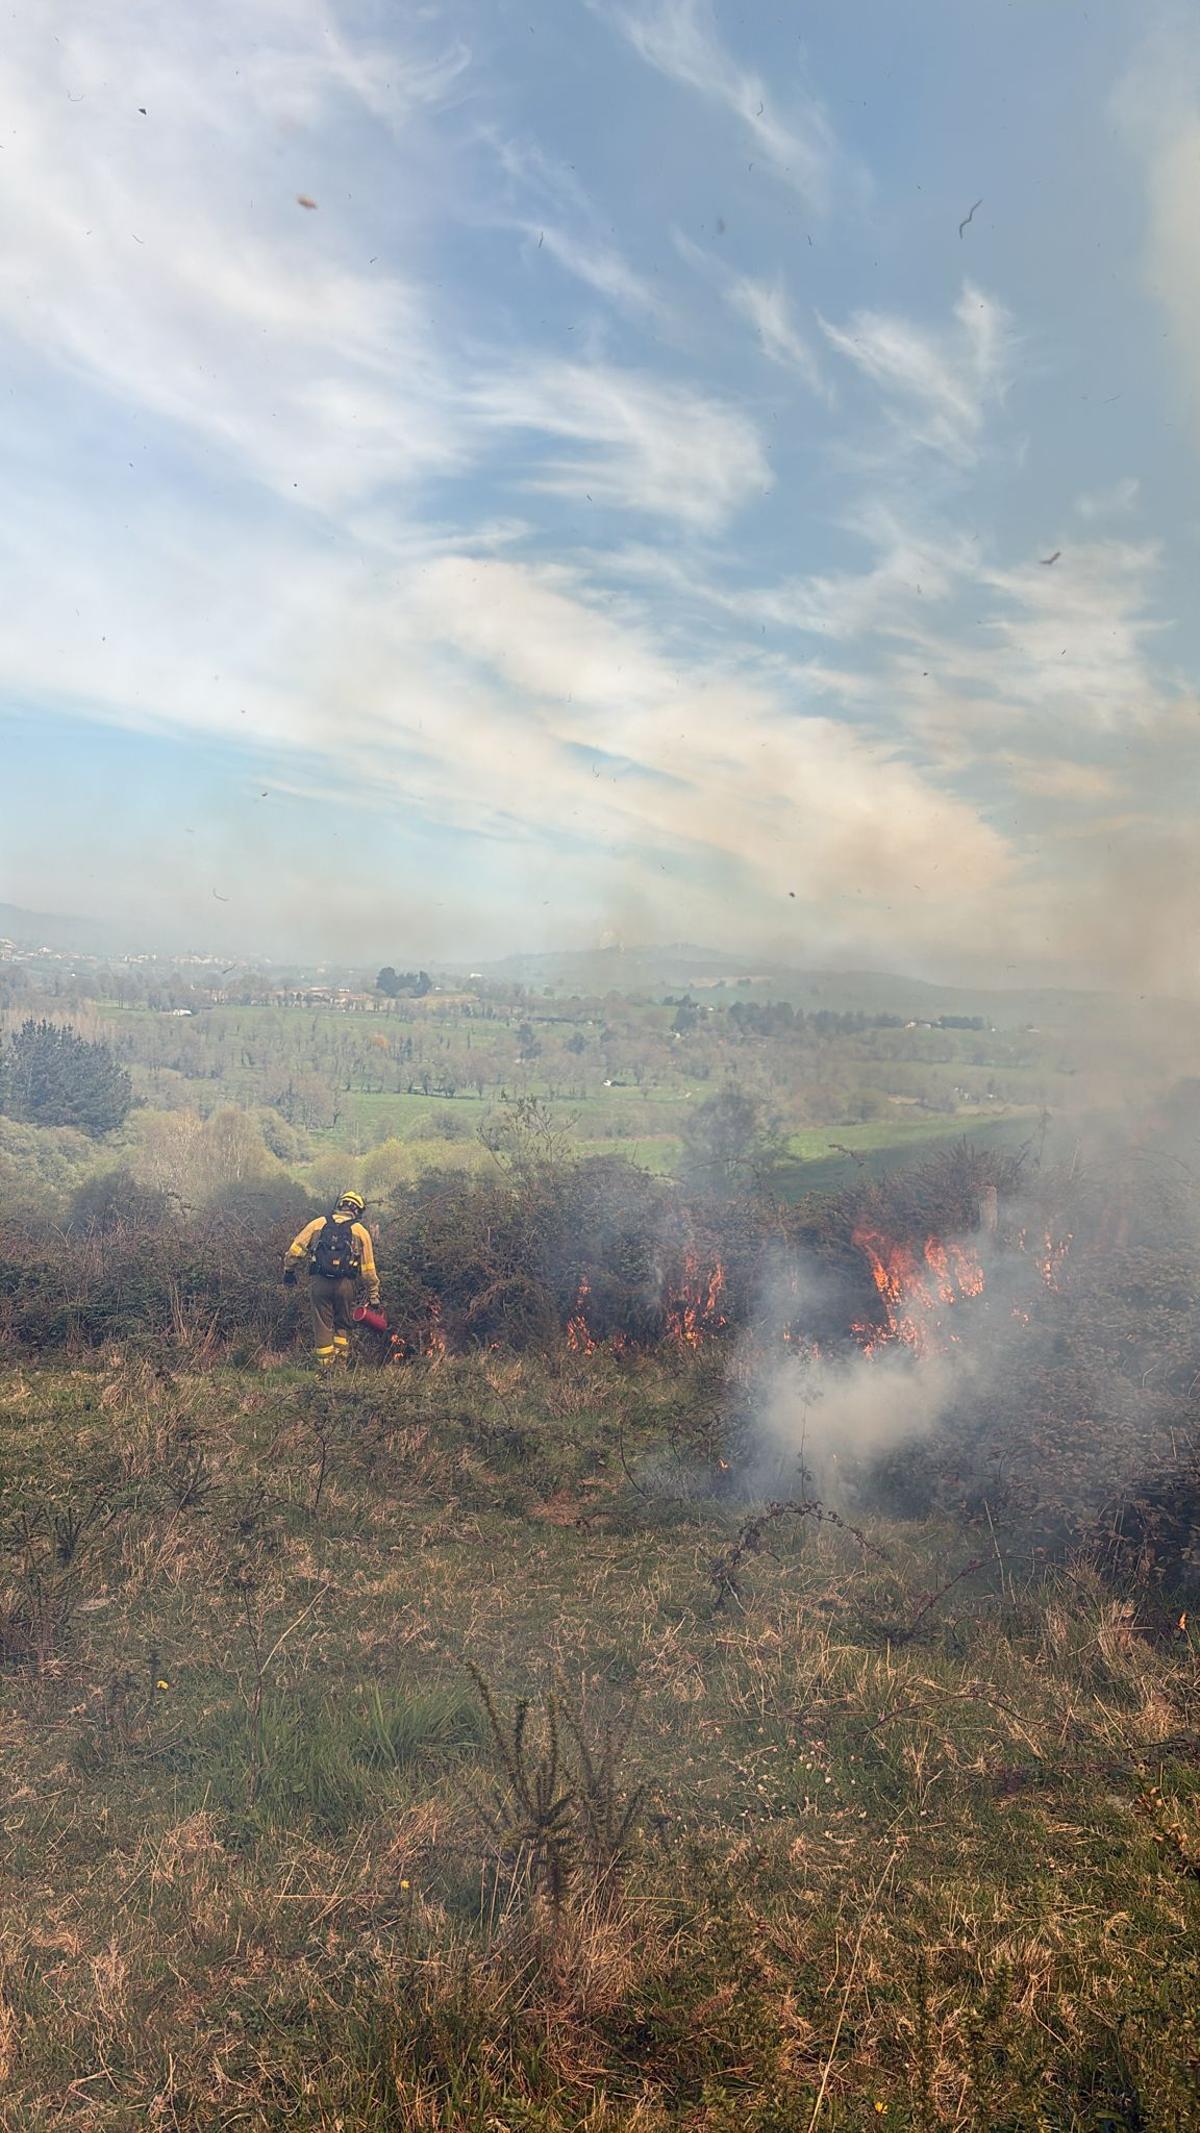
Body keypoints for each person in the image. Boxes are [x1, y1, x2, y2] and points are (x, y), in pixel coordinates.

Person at [282, 1190, 381, 1367]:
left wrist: (289, 1271)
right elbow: (368, 1269)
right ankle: (340, 1370)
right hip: (346, 1285)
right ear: (358, 1211)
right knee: (343, 1324)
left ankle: (325, 1373)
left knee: (322, 1326)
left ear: (339, 1205)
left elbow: (295, 1250)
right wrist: (373, 1295)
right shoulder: (360, 1231)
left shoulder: (318, 1224)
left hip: (319, 1283)